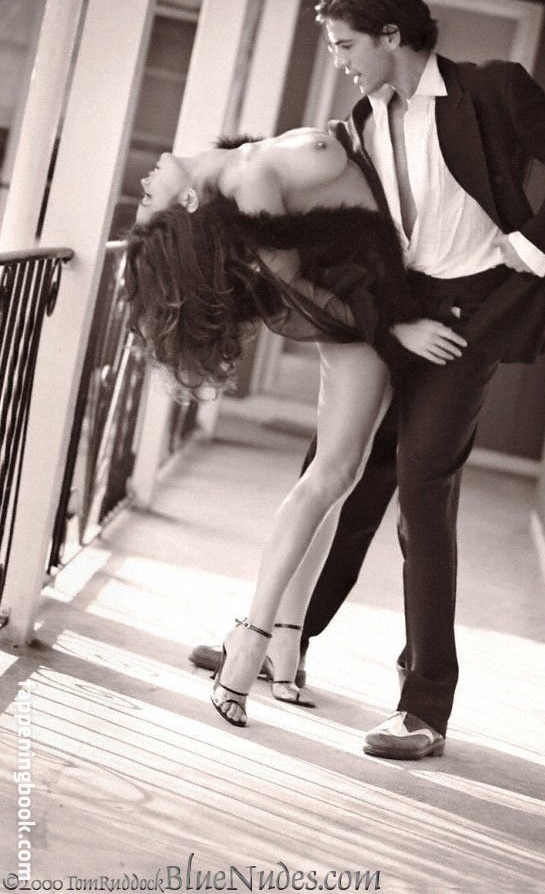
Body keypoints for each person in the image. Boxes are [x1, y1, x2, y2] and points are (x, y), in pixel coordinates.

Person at [191, 0, 545, 759]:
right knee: (337, 473)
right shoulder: (360, 120)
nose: (338, 61)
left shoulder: (492, 89)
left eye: (345, 44)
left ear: (391, 34)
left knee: (422, 488)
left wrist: (532, 244)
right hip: (397, 315)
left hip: (470, 318)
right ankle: (284, 637)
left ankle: (423, 707)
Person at [125, 128, 465, 728]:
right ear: (187, 202)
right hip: (361, 320)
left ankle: (284, 640)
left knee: (336, 479)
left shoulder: (241, 166)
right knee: (330, 478)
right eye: (149, 201)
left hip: (367, 305)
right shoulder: (249, 178)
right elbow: (302, 288)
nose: (144, 183)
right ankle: (251, 637)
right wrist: (394, 327)